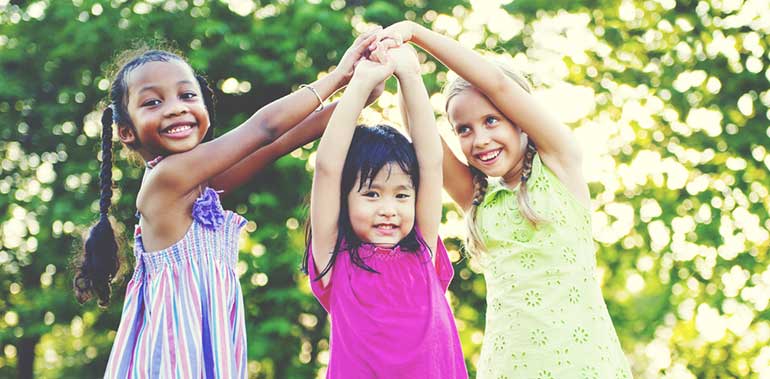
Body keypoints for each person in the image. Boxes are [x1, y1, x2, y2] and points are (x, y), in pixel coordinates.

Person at [73, 29, 382, 378]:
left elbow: (278, 143)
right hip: (174, 359)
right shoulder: (165, 181)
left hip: (206, 350)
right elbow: (265, 128)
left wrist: (361, 92)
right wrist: (341, 76)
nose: (176, 109)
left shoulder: (196, 183)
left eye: (187, 95)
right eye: (152, 102)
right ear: (126, 131)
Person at [376, 21, 633, 379]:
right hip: (507, 368)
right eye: (463, 129)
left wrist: (415, 32)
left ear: (520, 121)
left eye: (491, 121)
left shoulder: (561, 167)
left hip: (585, 366)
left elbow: (496, 84)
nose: (479, 139)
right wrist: (406, 72)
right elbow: (425, 143)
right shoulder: (479, 200)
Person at [303, 43, 467, 378]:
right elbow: (328, 167)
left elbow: (431, 162)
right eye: (372, 194)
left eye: (402, 195)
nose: (389, 209)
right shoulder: (335, 259)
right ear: (344, 199)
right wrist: (361, 83)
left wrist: (409, 73)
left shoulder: (423, 250)